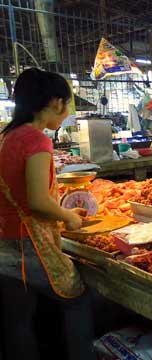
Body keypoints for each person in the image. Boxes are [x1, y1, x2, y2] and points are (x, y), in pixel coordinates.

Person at [0, 68, 95, 360]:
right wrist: (69, 218)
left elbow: (20, 191)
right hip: (30, 244)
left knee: (18, 320)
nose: (67, 113)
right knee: (76, 297)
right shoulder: (37, 140)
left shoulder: (6, 136)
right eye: (67, 105)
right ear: (55, 102)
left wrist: (62, 208)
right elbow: (39, 201)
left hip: (4, 243)